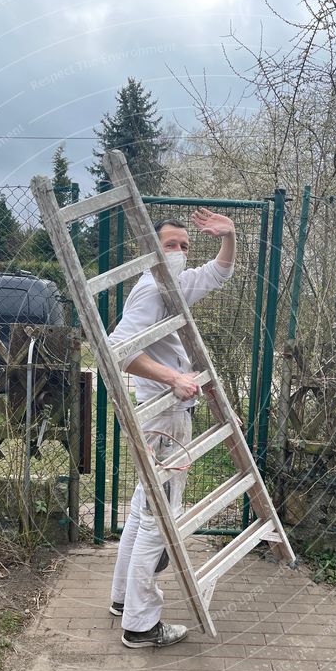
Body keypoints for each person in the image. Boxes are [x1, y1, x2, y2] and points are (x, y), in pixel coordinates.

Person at [108, 208, 236, 648]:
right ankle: (141, 625)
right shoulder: (150, 289)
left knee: (144, 508)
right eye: (170, 246)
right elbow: (118, 350)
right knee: (158, 521)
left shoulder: (173, 286)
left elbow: (217, 274)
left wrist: (229, 236)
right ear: (150, 251)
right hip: (162, 416)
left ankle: (123, 601)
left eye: (185, 246)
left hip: (166, 415)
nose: (180, 253)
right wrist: (174, 378)